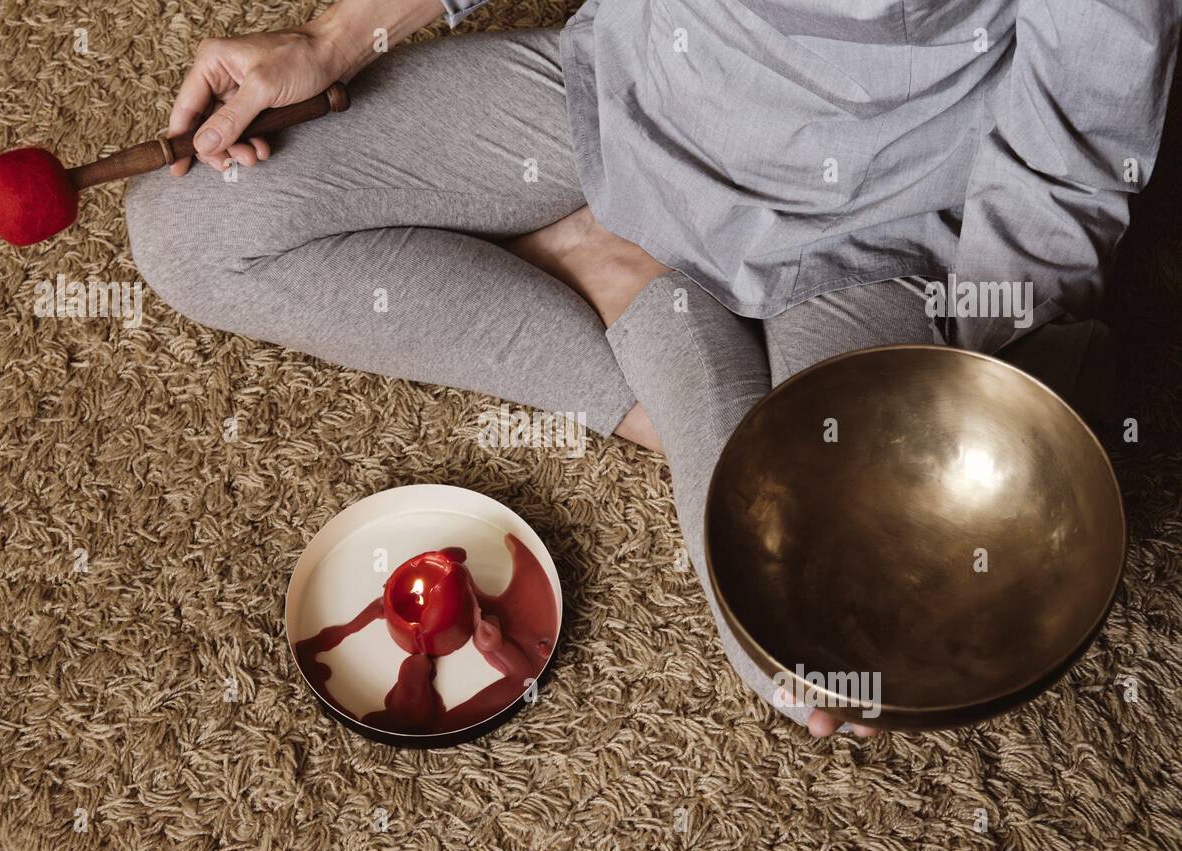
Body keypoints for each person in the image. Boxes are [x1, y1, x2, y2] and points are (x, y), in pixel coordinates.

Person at [125, 0, 1178, 736]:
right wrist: (327, 36)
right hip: (619, 106)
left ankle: (628, 286)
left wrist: (963, 398)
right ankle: (637, 293)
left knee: (823, 653)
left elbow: (1072, 141)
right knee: (189, 228)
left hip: (875, 226)